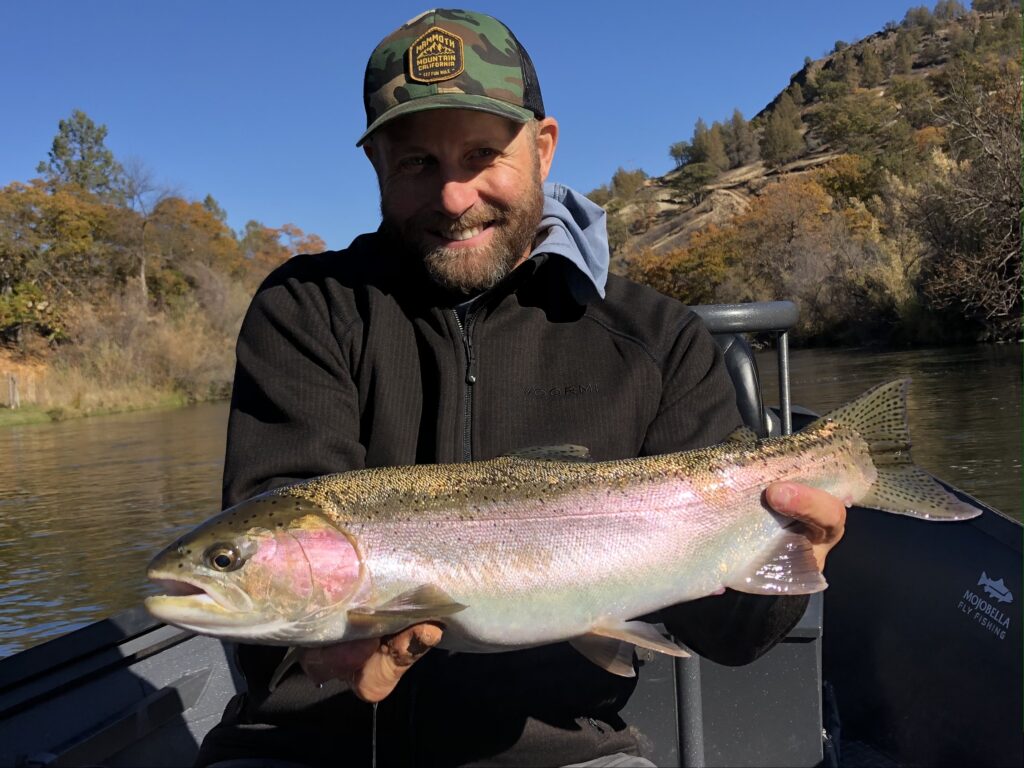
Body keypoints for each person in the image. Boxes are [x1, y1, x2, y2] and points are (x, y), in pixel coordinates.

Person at [197, 9, 846, 767]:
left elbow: (730, 639)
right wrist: (313, 658)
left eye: (482, 154)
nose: (453, 196)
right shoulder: (306, 310)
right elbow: (269, 553)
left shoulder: (655, 339)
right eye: (416, 164)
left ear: (542, 149)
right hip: (306, 746)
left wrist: (791, 555)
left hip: (566, 749)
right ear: (376, 164)